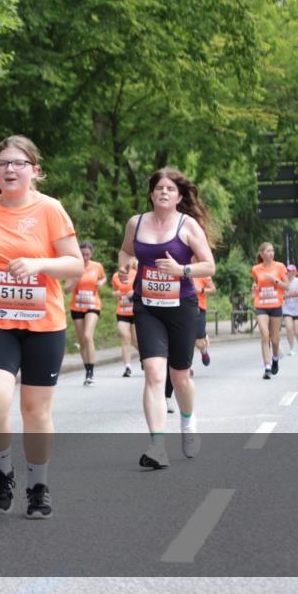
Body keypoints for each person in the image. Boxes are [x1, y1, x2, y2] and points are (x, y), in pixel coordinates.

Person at [0, 135, 83, 518]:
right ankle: (2, 472)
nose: (10, 170)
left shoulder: (50, 209)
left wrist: (38, 265)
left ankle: (38, 485)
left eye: (18, 163)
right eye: (3, 164)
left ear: (34, 170)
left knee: (35, 410)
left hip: (44, 322)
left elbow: (75, 264)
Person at [117, 167, 216, 469]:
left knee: (180, 376)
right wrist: (124, 268)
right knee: (154, 374)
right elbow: (124, 251)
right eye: (159, 188)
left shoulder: (187, 226)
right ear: (151, 193)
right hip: (147, 306)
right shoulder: (137, 223)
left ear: (179, 196)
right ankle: (157, 446)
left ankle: (187, 422)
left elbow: (209, 266)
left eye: (170, 189)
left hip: (182, 306)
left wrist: (182, 270)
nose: (163, 192)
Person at [165, 257, 212, 412]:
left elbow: (213, 288)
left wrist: (203, 290)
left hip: (199, 309)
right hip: (180, 310)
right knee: (183, 343)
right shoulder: (177, 267)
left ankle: (204, 350)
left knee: (199, 342)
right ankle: (186, 368)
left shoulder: (202, 271)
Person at [64, 242, 106, 385]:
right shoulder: (73, 267)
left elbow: (103, 277)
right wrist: (76, 278)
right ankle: (87, 370)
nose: (85, 257)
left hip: (93, 305)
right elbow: (66, 290)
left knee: (88, 336)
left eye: (87, 254)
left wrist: (101, 283)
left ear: (91, 254)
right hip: (77, 307)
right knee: (82, 340)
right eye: (82, 255)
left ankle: (91, 371)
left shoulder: (97, 266)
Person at [251, 242, 288, 379]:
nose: (271, 253)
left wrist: (275, 280)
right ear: (262, 254)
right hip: (261, 305)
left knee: (275, 339)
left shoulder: (279, 267)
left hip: (276, 305)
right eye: (268, 251)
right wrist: (254, 287)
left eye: (272, 250)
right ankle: (267, 367)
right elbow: (256, 283)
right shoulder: (256, 269)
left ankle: (275, 357)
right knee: (264, 334)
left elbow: (287, 286)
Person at [111, 258, 138, 377]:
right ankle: (127, 367)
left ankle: (146, 359)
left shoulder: (137, 273)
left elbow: (143, 289)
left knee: (136, 341)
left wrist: (134, 292)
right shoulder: (116, 276)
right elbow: (114, 292)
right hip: (122, 311)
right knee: (125, 337)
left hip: (136, 311)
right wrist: (118, 293)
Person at [282, 264, 298, 355]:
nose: (289, 272)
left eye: (291, 271)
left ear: (295, 272)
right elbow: (280, 293)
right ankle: (291, 348)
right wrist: (284, 295)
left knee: (297, 331)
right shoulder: (283, 282)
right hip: (287, 309)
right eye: (288, 271)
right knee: (289, 328)